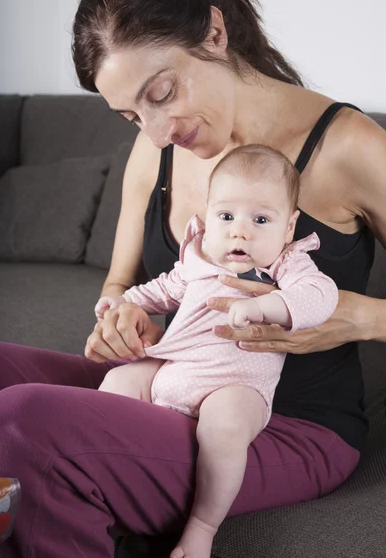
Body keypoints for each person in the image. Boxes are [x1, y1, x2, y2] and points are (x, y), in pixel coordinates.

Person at [0, 0, 386, 556]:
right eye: (130, 115)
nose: (154, 130)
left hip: (285, 423)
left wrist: (356, 317)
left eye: (163, 93)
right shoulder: (156, 152)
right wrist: (119, 320)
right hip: (174, 385)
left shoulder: (349, 147)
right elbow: (121, 285)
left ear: (214, 33)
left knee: (22, 421)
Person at [96, 144, 339, 558]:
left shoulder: (285, 263)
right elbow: (165, 289)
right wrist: (127, 301)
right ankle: (106, 479)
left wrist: (265, 305)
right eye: (226, 216)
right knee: (117, 381)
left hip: (237, 386)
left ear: (288, 227)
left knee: (223, 431)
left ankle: (202, 526)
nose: (240, 232)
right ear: (208, 214)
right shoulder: (199, 254)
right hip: (174, 369)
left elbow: (321, 297)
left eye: (261, 219)